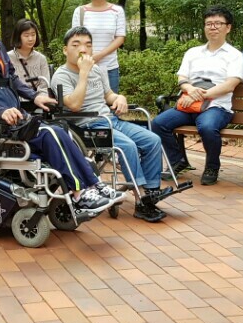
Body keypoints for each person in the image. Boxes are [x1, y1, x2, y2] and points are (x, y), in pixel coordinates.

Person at [0, 0, 120, 219]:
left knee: (62, 130)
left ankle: (94, 185)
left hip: (18, 120)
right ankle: (79, 194)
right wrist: (0, 111)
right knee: (51, 133)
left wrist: (34, 97)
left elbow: (12, 79)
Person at [52, 27, 168, 223]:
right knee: (128, 146)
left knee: (152, 139)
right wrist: (83, 73)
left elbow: (108, 95)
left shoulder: (97, 70)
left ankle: (151, 191)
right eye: (76, 45)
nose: (83, 49)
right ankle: (140, 199)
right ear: (65, 50)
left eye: (88, 45)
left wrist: (120, 98)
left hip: (110, 120)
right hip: (87, 126)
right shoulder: (61, 75)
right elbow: (74, 105)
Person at [150, 6, 243, 186]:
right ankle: (178, 161)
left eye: (218, 23)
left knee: (207, 127)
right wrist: (188, 88)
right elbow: (182, 78)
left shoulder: (235, 56)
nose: (213, 27)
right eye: (209, 23)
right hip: (188, 106)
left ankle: (212, 167)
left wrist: (198, 96)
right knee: (158, 123)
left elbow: (230, 85)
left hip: (217, 107)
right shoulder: (193, 52)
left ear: (228, 27)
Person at [71, 0, 126, 91]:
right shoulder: (80, 11)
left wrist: (99, 55)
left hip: (110, 67)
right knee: (86, 101)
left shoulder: (117, 11)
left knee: (111, 101)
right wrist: (87, 58)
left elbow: (120, 38)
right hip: (85, 67)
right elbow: (75, 40)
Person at [8, 19, 51, 96]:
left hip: (38, 100)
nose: (30, 39)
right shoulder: (7, 58)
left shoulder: (41, 58)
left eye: (33, 35)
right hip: (15, 100)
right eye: (26, 35)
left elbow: (44, 86)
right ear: (18, 36)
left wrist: (38, 98)